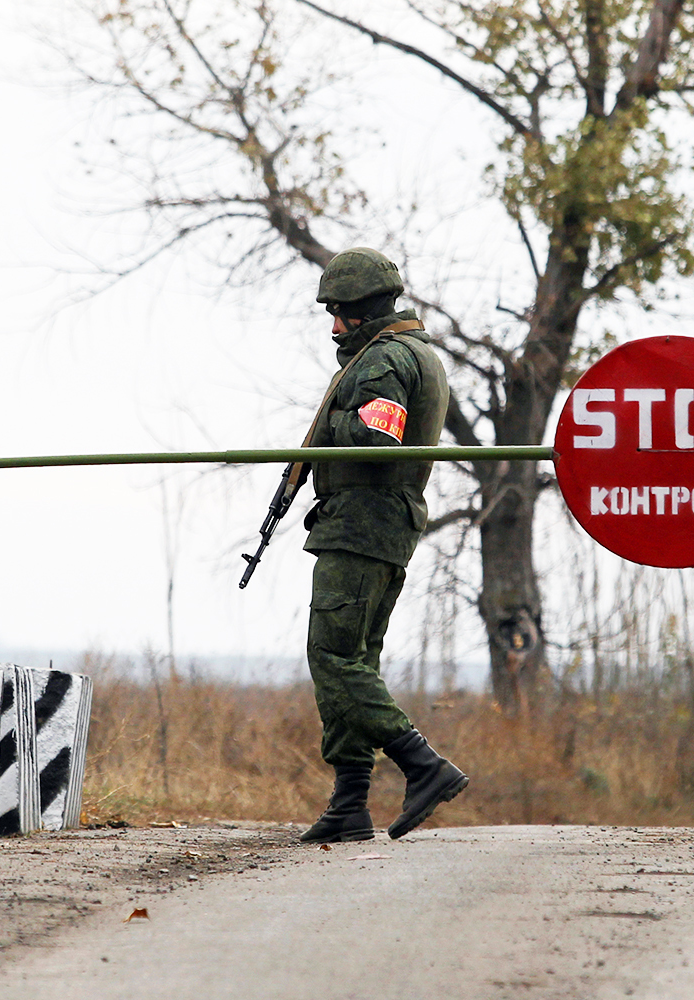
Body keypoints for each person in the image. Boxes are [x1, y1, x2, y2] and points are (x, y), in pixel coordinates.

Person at [298, 246, 469, 843]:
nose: (335, 324)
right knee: (352, 661)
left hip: (364, 525)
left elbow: (376, 438)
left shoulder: (383, 361)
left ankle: (424, 765)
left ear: (366, 311)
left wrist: (331, 426)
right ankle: (349, 803)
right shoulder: (409, 352)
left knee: (334, 658)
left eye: (341, 312)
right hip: (376, 524)